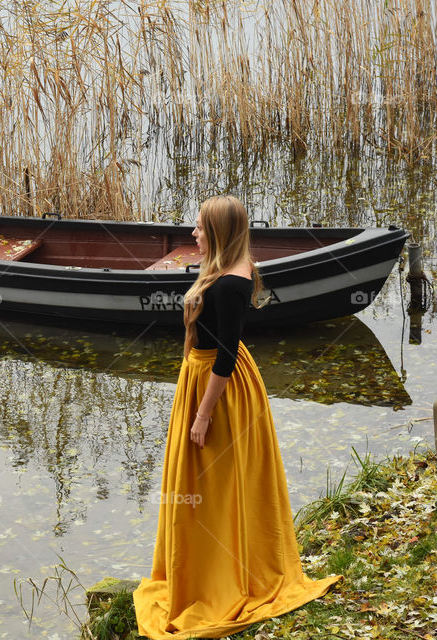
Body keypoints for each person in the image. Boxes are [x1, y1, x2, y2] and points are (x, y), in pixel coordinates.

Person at [132, 196, 342, 638]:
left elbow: (225, 355)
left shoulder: (229, 284)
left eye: (201, 228)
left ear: (220, 234)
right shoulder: (231, 267)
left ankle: (214, 576)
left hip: (218, 388)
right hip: (206, 378)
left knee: (213, 482)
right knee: (218, 483)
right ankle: (211, 565)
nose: (193, 234)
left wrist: (203, 415)